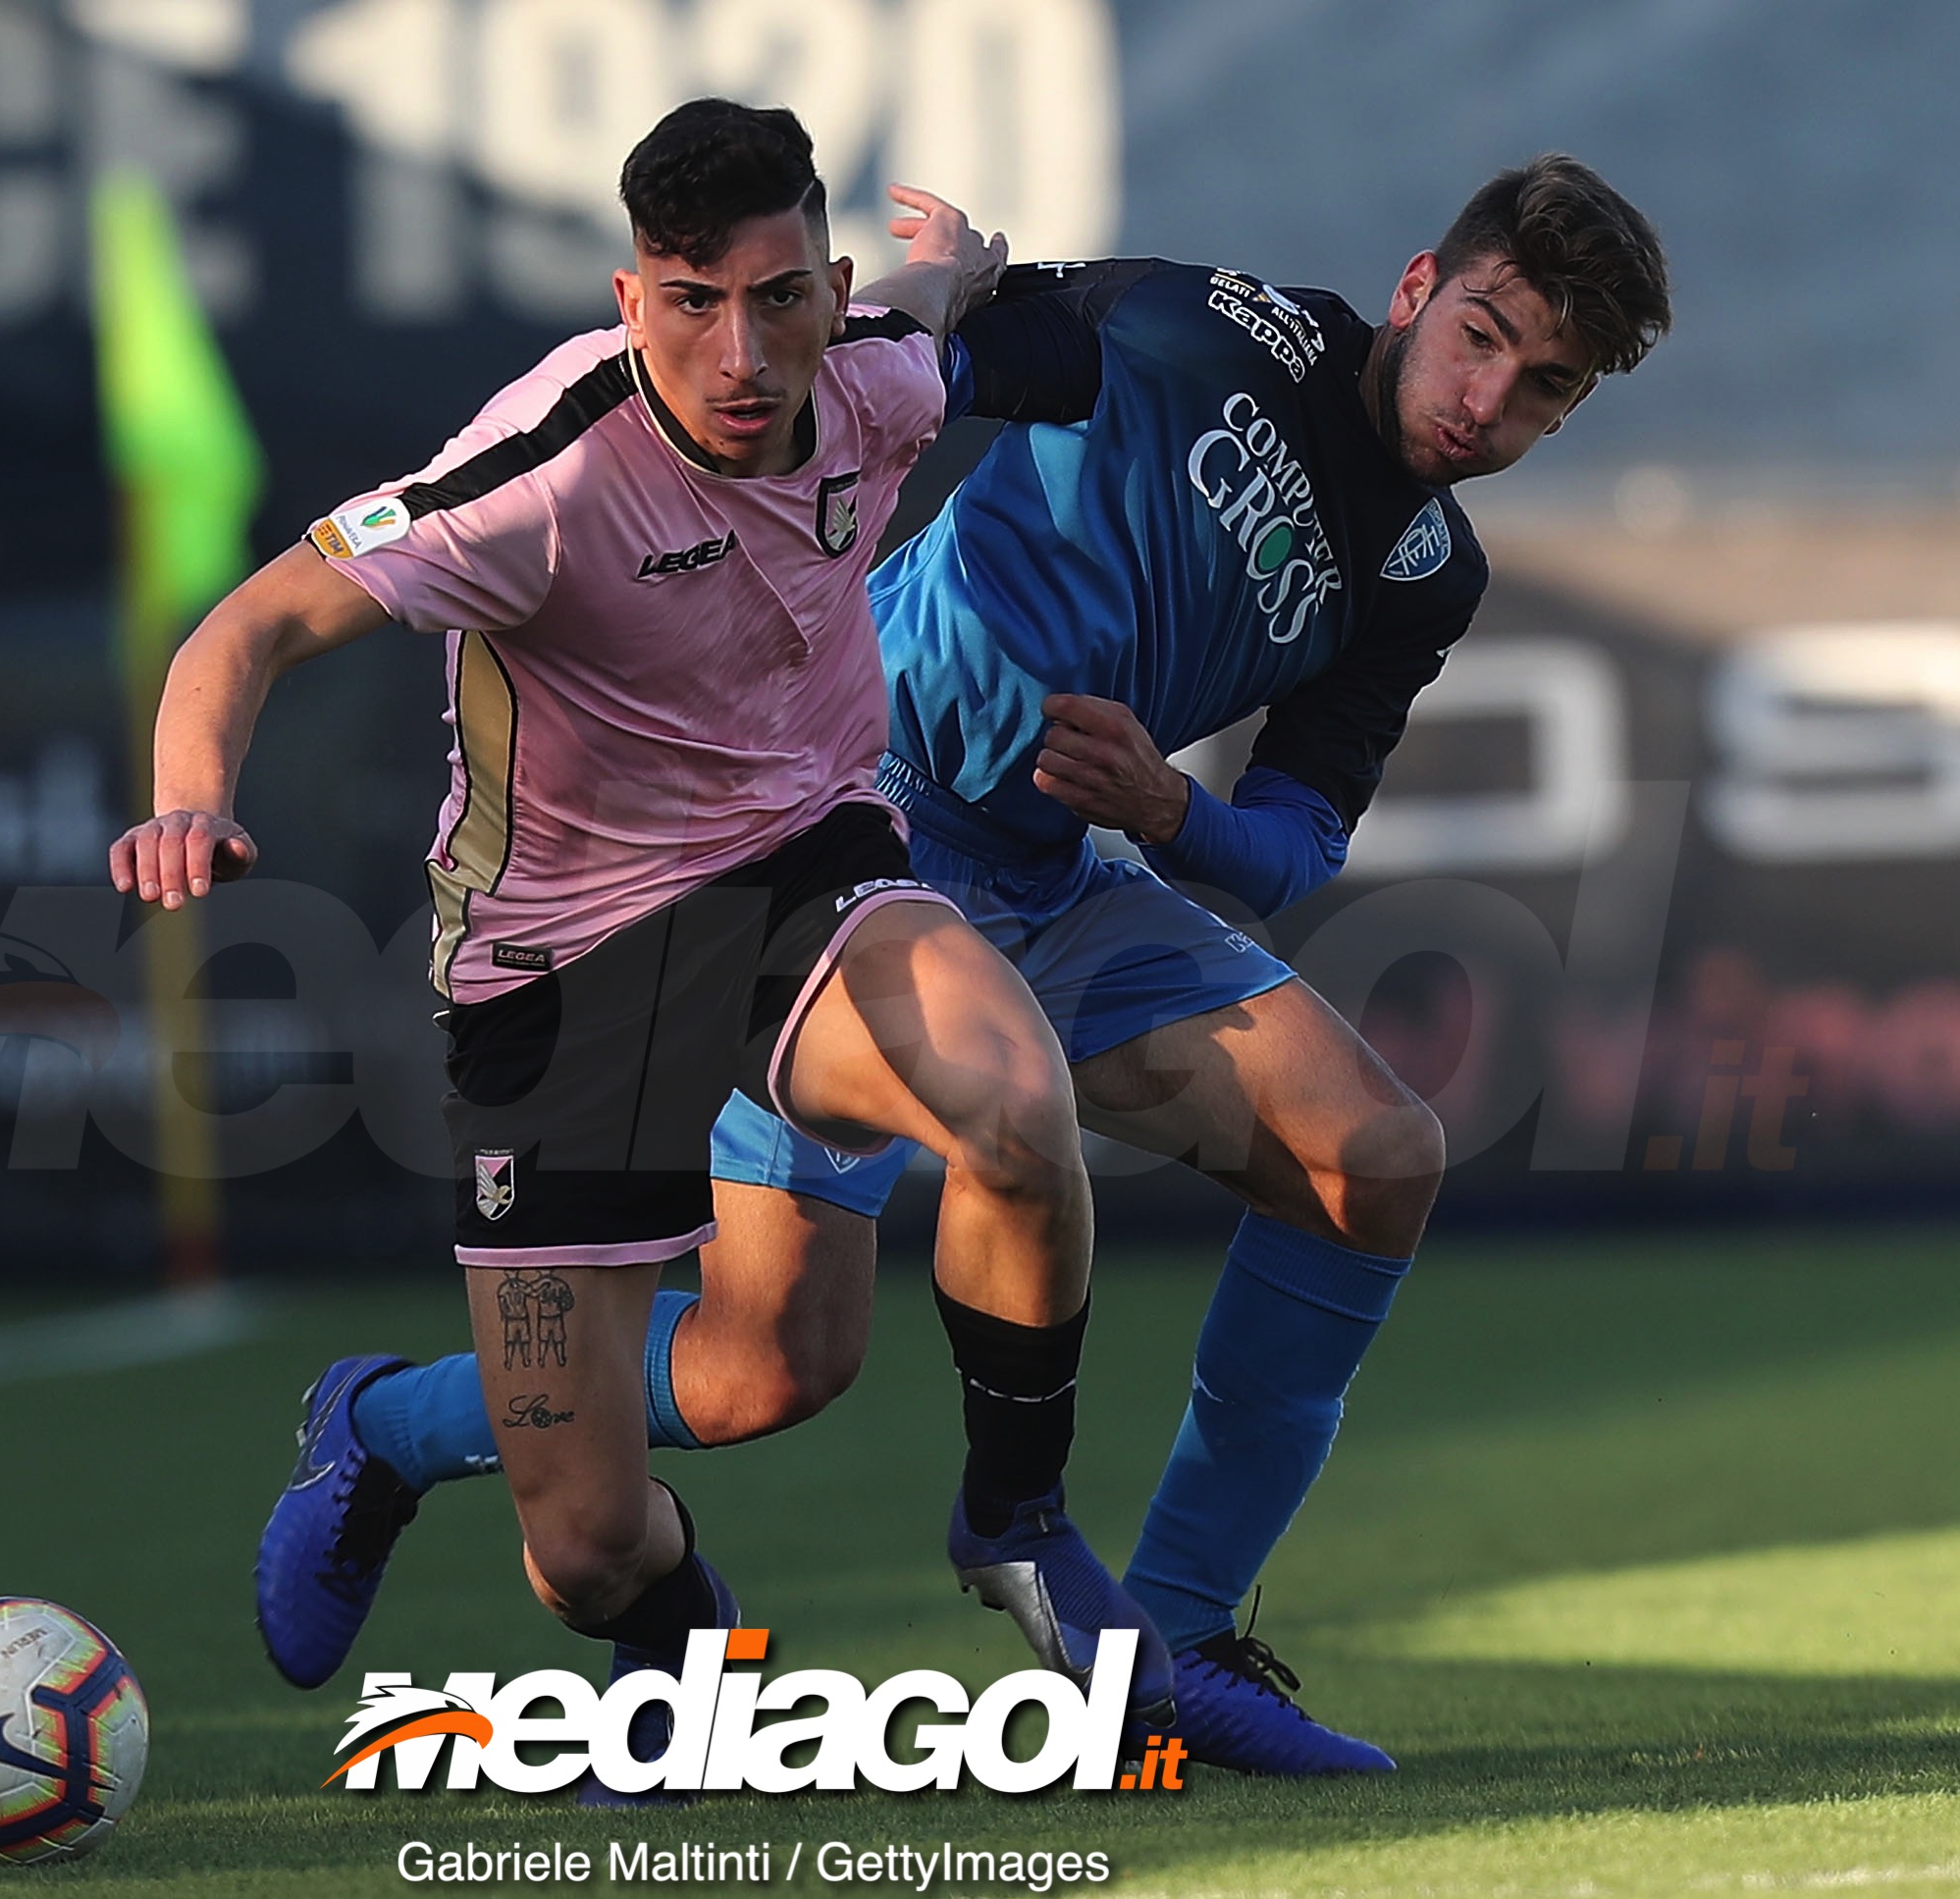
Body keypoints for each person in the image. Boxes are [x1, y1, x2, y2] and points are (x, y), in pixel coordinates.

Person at [267, 153, 1672, 1776]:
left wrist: (1173, 814)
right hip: (844, 844)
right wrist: (935, 297)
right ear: (1421, 285)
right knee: (761, 1369)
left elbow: (1294, 837)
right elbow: (915, 373)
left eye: (1545, 388)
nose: (1487, 400)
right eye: (1482, 337)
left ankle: (1177, 1636)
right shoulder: (1197, 330)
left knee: (1374, 1156)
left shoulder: (1428, 573)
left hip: (1060, 882)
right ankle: (379, 1424)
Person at [115, 97, 1179, 1775]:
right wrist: (189, 797)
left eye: (775, 298)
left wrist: (964, 276)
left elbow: (941, 324)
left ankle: (1020, 1524)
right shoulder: (534, 480)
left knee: (1014, 1103)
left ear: (830, 290)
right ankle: (397, 1440)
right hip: (560, 960)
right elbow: (244, 629)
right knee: (589, 1545)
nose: (739, 350)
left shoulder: (877, 381)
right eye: (692, 302)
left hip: (802, 870)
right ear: (631, 304)